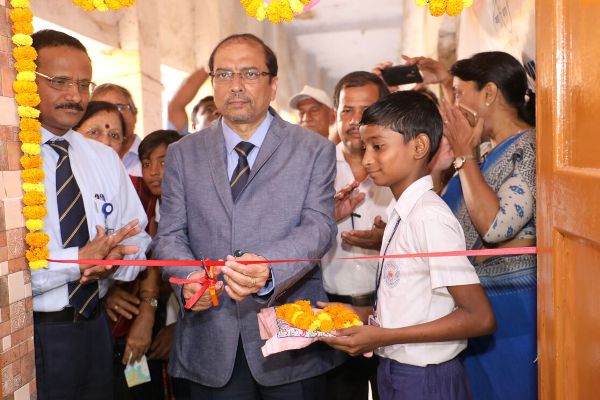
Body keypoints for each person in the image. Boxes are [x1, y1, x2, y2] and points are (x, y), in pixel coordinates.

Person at [152, 33, 343, 399]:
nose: (235, 86)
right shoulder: (182, 154)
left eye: (250, 73)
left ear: (273, 85)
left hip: (290, 338)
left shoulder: (312, 150)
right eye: (223, 74)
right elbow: (170, 234)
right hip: (210, 336)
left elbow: (319, 225)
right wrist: (190, 275)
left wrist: (270, 268)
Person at [320, 90, 496, 400]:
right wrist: (358, 313)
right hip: (396, 371)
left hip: (426, 378)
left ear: (419, 146)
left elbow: (479, 317)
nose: (368, 159)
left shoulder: (428, 217)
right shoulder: (401, 213)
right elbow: (410, 304)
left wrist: (383, 336)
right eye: (364, 148)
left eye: (378, 147)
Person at [409, 51, 537, 400]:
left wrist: (465, 152)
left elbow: (496, 226)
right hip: (477, 307)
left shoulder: (528, 149)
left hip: (514, 311)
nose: (456, 103)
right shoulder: (488, 149)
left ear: (490, 93)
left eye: (460, 92)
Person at [31, 29, 151, 400]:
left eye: (84, 84)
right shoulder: (9, 158)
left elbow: (137, 238)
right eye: (60, 82)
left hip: (95, 327)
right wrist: (78, 261)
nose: (75, 96)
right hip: (31, 333)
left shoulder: (100, 157)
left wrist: (119, 262)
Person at [321, 71, 392, 400]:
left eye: (366, 110)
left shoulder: (401, 166)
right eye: (346, 110)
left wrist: (388, 240)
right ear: (335, 113)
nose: (354, 120)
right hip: (332, 315)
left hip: (391, 316)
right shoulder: (317, 168)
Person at [92, 83, 142, 177]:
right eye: (101, 109)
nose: (113, 116)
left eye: (120, 108)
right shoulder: (81, 160)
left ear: (134, 114)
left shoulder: (158, 158)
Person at [167, 67, 220, 135]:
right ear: (194, 126)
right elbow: (175, 106)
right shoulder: (183, 143)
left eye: (222, 112)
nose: (217, 112)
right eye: (209, 109)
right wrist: (209, 66)